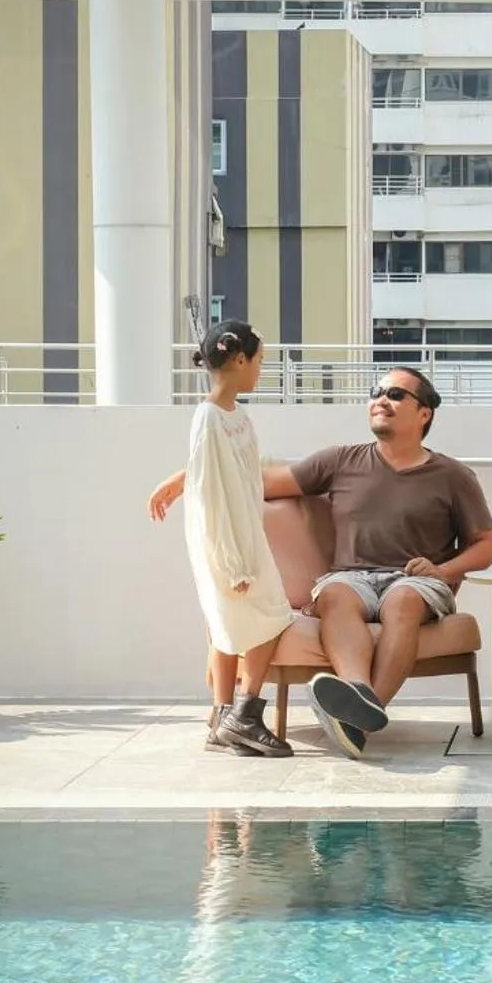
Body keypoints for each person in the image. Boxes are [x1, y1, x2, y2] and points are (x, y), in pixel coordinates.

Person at [150, 366, 492, 760]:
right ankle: (356, 695)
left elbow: (488, 545)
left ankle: (362, 715)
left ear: (424, 414)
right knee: (333, 596)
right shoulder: (342, 460)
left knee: (402, 601)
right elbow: (254, 480)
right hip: (351, 579)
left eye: (396, 395)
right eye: (376, 391)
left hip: (415, 580)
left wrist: (443, 571)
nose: (381, 400)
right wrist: (189, 473)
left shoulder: (452, 475)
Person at [156, 320, 296, 759]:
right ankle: (244, 716)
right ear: (239, 360)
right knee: (267, 616)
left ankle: (224, 719)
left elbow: (231, 468)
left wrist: (178, 480)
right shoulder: (210, 418)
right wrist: (234, 563)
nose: (260, 370)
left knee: (238, 623)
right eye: (258, 361)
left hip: (243, 532)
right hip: (229, 540)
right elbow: (214, 494)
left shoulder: (235, 416)